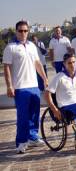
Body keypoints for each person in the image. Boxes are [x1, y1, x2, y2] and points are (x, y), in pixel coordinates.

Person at [3, 21, 48, 154]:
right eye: (20, 31)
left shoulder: (32, 46)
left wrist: (45, 79)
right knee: (23, 116)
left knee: (35, 115)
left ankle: (33, 137)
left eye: (25, 31)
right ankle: (21, 142)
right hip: (20, 87)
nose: (23, 33)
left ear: (28, 32)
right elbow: (6, 67)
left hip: (34, 86)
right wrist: (9, 86)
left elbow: (37, 63)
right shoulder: (10, 48)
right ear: (16, 32)